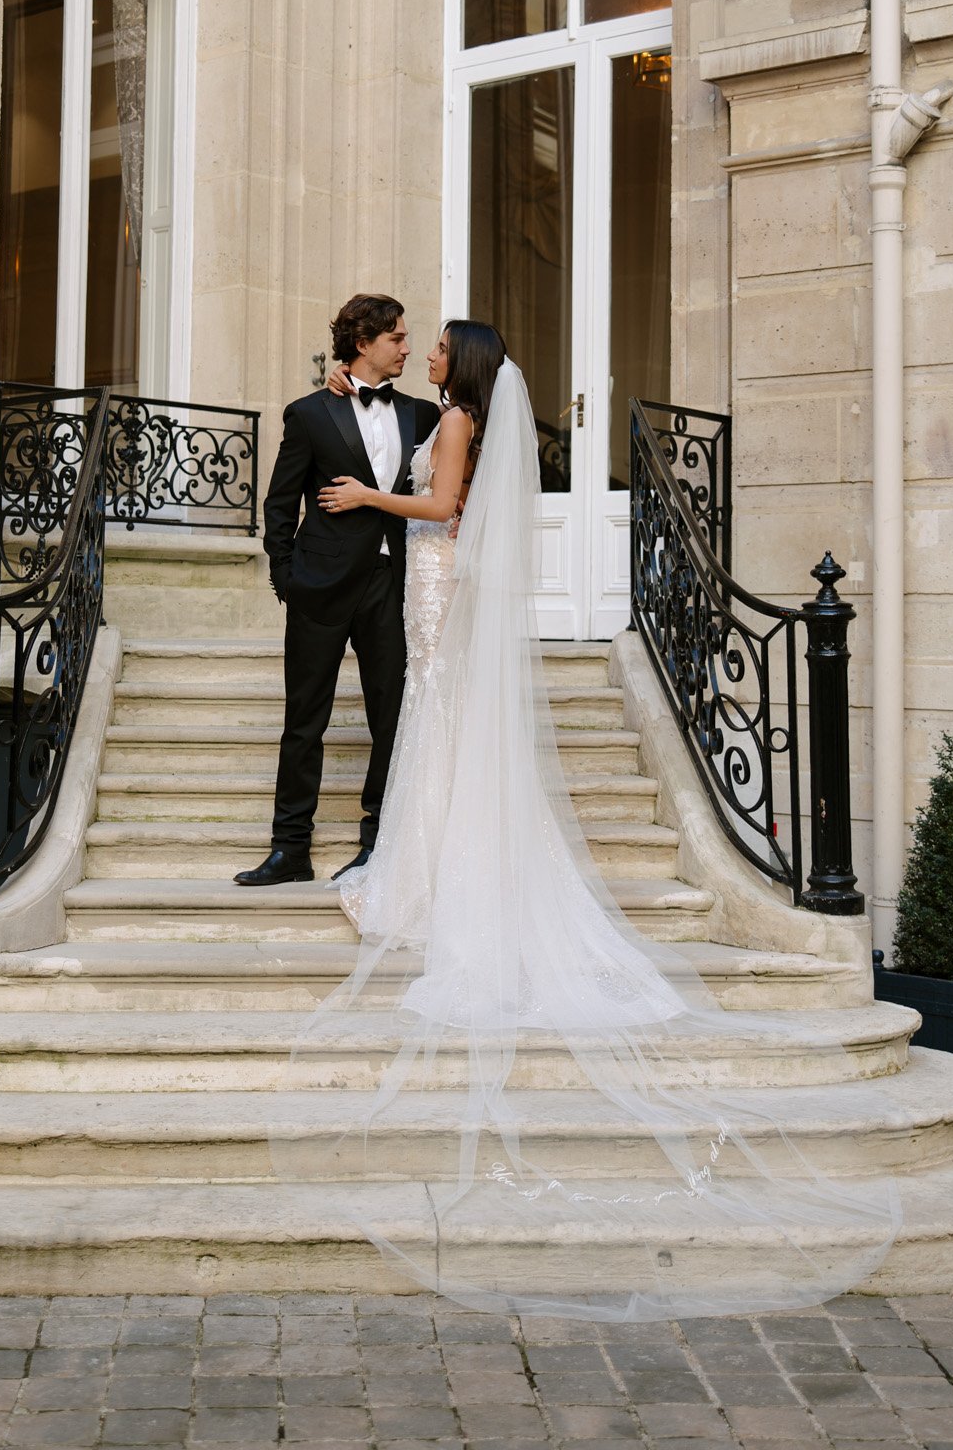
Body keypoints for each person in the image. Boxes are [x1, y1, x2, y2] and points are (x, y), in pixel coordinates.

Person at [273, 320, 902, 1320]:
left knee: (434, 711)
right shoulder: (464, 414)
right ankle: (432, 864)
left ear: (461, 363)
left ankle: (426, 877)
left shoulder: (454, 420)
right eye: (415, 339)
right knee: (438, 716)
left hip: (431, 578)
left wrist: (366, 498)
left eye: (437, 343)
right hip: (433, 578)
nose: (426, 349)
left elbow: (439, 506)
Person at [233, 293, 439, 888]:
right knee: (304, 719)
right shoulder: (310, 413)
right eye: (397, 338)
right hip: (319, 586)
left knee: (391, 716)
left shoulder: (423, 416)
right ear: (363, 344)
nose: (407, 347)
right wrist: (286, 578)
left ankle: (378, 841)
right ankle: (290, 847)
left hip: (389, 585)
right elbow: (279, 502)